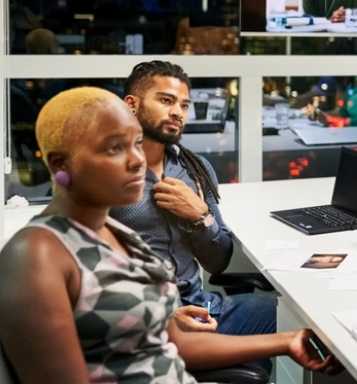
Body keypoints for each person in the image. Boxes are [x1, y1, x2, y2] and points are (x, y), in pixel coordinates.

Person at [0, 87, 357, 384]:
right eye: (114, 148)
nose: (136, 160)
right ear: (61, 165)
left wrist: (286, 340)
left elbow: (175, 344)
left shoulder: (116, 233)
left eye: (135, 143)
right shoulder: (36, 256)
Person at [112, 61, 279, 347]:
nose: (178, 112)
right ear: (132, 105)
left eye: (184, 105)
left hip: (205, 309)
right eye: (166, 100)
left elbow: (218, 263)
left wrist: (200, 215)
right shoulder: (108, 173)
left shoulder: (195, 169)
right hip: (146, 323)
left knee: (297, 317)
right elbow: (89, 271)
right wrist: (163, 317)